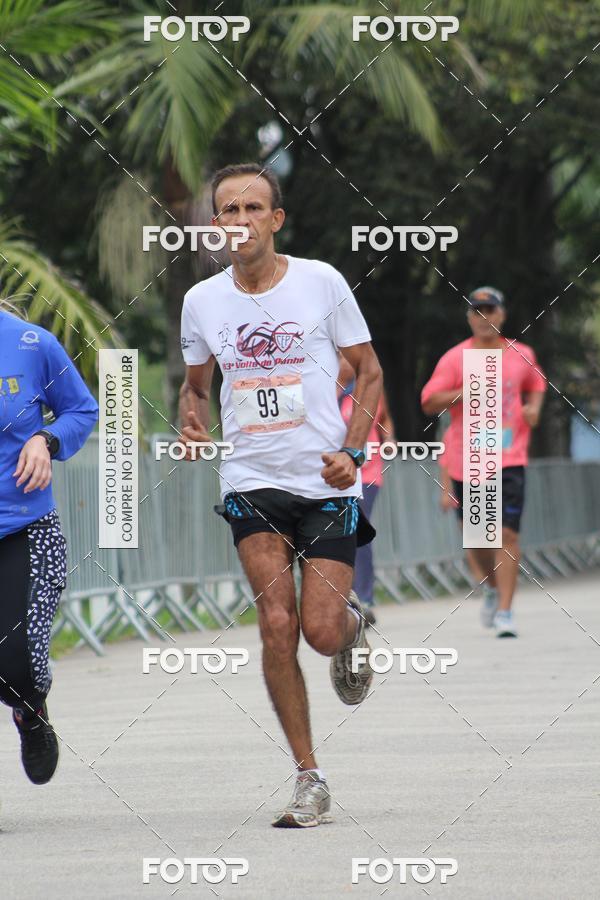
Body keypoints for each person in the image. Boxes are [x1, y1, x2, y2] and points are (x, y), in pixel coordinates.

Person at [179, 163, 382, 827]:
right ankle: (308, 776)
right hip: (250, 481)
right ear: (216, 225)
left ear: (275, 220)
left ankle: (354, 628)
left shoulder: (320, 283)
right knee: (277, 625)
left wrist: (352, 453)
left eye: (252, 208)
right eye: (228, 210)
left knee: (320, 633)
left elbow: (371, 373)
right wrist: (191, 418)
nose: (240, 220)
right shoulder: (202, 302)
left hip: (322, 482)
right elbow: (196, 384)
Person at [0, 304, 98, 786]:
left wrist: (46, 438)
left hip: (24, 527)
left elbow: (81, 409)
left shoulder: (30, 344)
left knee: (14, 661)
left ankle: (29, 708)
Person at [421, 287, 546, 637]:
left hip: (510, 455)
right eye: (477, 311)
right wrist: (464, 392)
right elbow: (429, 400)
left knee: (506, 533)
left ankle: (506, 611)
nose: (484, 317)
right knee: (479, 539)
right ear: (469, 317)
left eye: (490, 310)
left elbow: (537, 383)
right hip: (472, 458)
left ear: (502, 315)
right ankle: (491, 588)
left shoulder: (520, 354)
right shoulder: (456, 358)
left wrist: (533, 407)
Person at [337, 355, 394, 626]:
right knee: (338, 533)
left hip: (367, 472)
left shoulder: (366, 387)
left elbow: (383, 420)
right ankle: (340, 595)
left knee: (358, 528)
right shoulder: (319, 387)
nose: (341, 361)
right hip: (332, 474)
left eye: (343, 356)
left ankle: (365, 596)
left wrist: (390, 438)